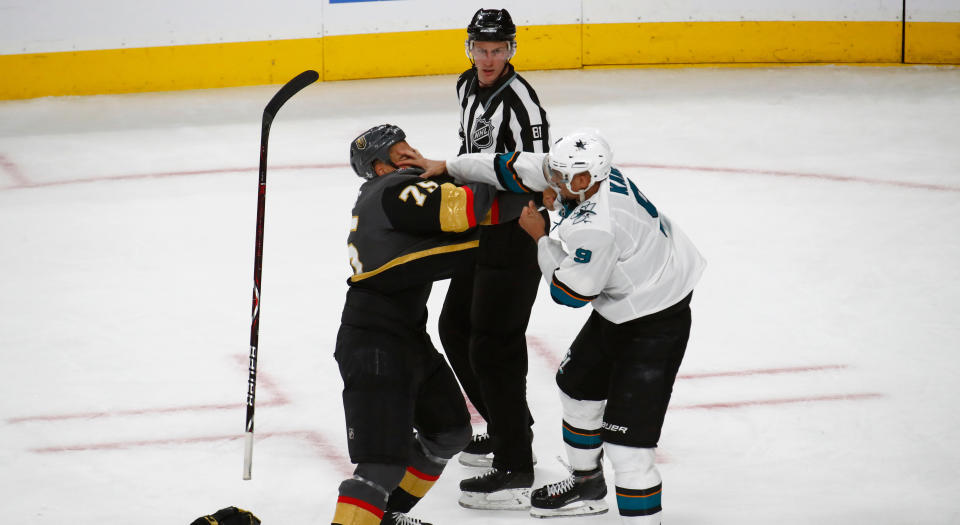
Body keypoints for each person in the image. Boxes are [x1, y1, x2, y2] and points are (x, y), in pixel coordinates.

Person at [406, 130, 706, 524]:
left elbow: (571, 292)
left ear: (585, 180)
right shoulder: (589, 176)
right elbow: (516, 167)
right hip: (628, 302)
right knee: (577, 387)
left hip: (655, 321)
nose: (554, 183)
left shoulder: (596, 227)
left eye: (563, 179)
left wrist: (541, 239)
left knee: (627, 445)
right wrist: (448, 165)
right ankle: (587, 485)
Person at [330, 124, 499, 525]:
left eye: (412, 150)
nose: (412, 158)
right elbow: (465, 211)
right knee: (380, 467)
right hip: (374, 343)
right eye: (400, 155)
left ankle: (382, 517)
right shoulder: (393, 191)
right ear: (380, 167)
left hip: (405, 336)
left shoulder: (388, 195)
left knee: (449, 432)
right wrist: (506, 176)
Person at [436, 7, 551, 510]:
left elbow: (541, 174)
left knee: (494, 344)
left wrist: (541, 234)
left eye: (497, 49)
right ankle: (509, 426)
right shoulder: (466, 86)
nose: (488, 58)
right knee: (455, 328)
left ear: (511, 50)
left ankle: (515, 464)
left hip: (515, 231)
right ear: (469, 48)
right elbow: (470, 154)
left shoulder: (524, 102)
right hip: (480, 228)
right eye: (481, 49)